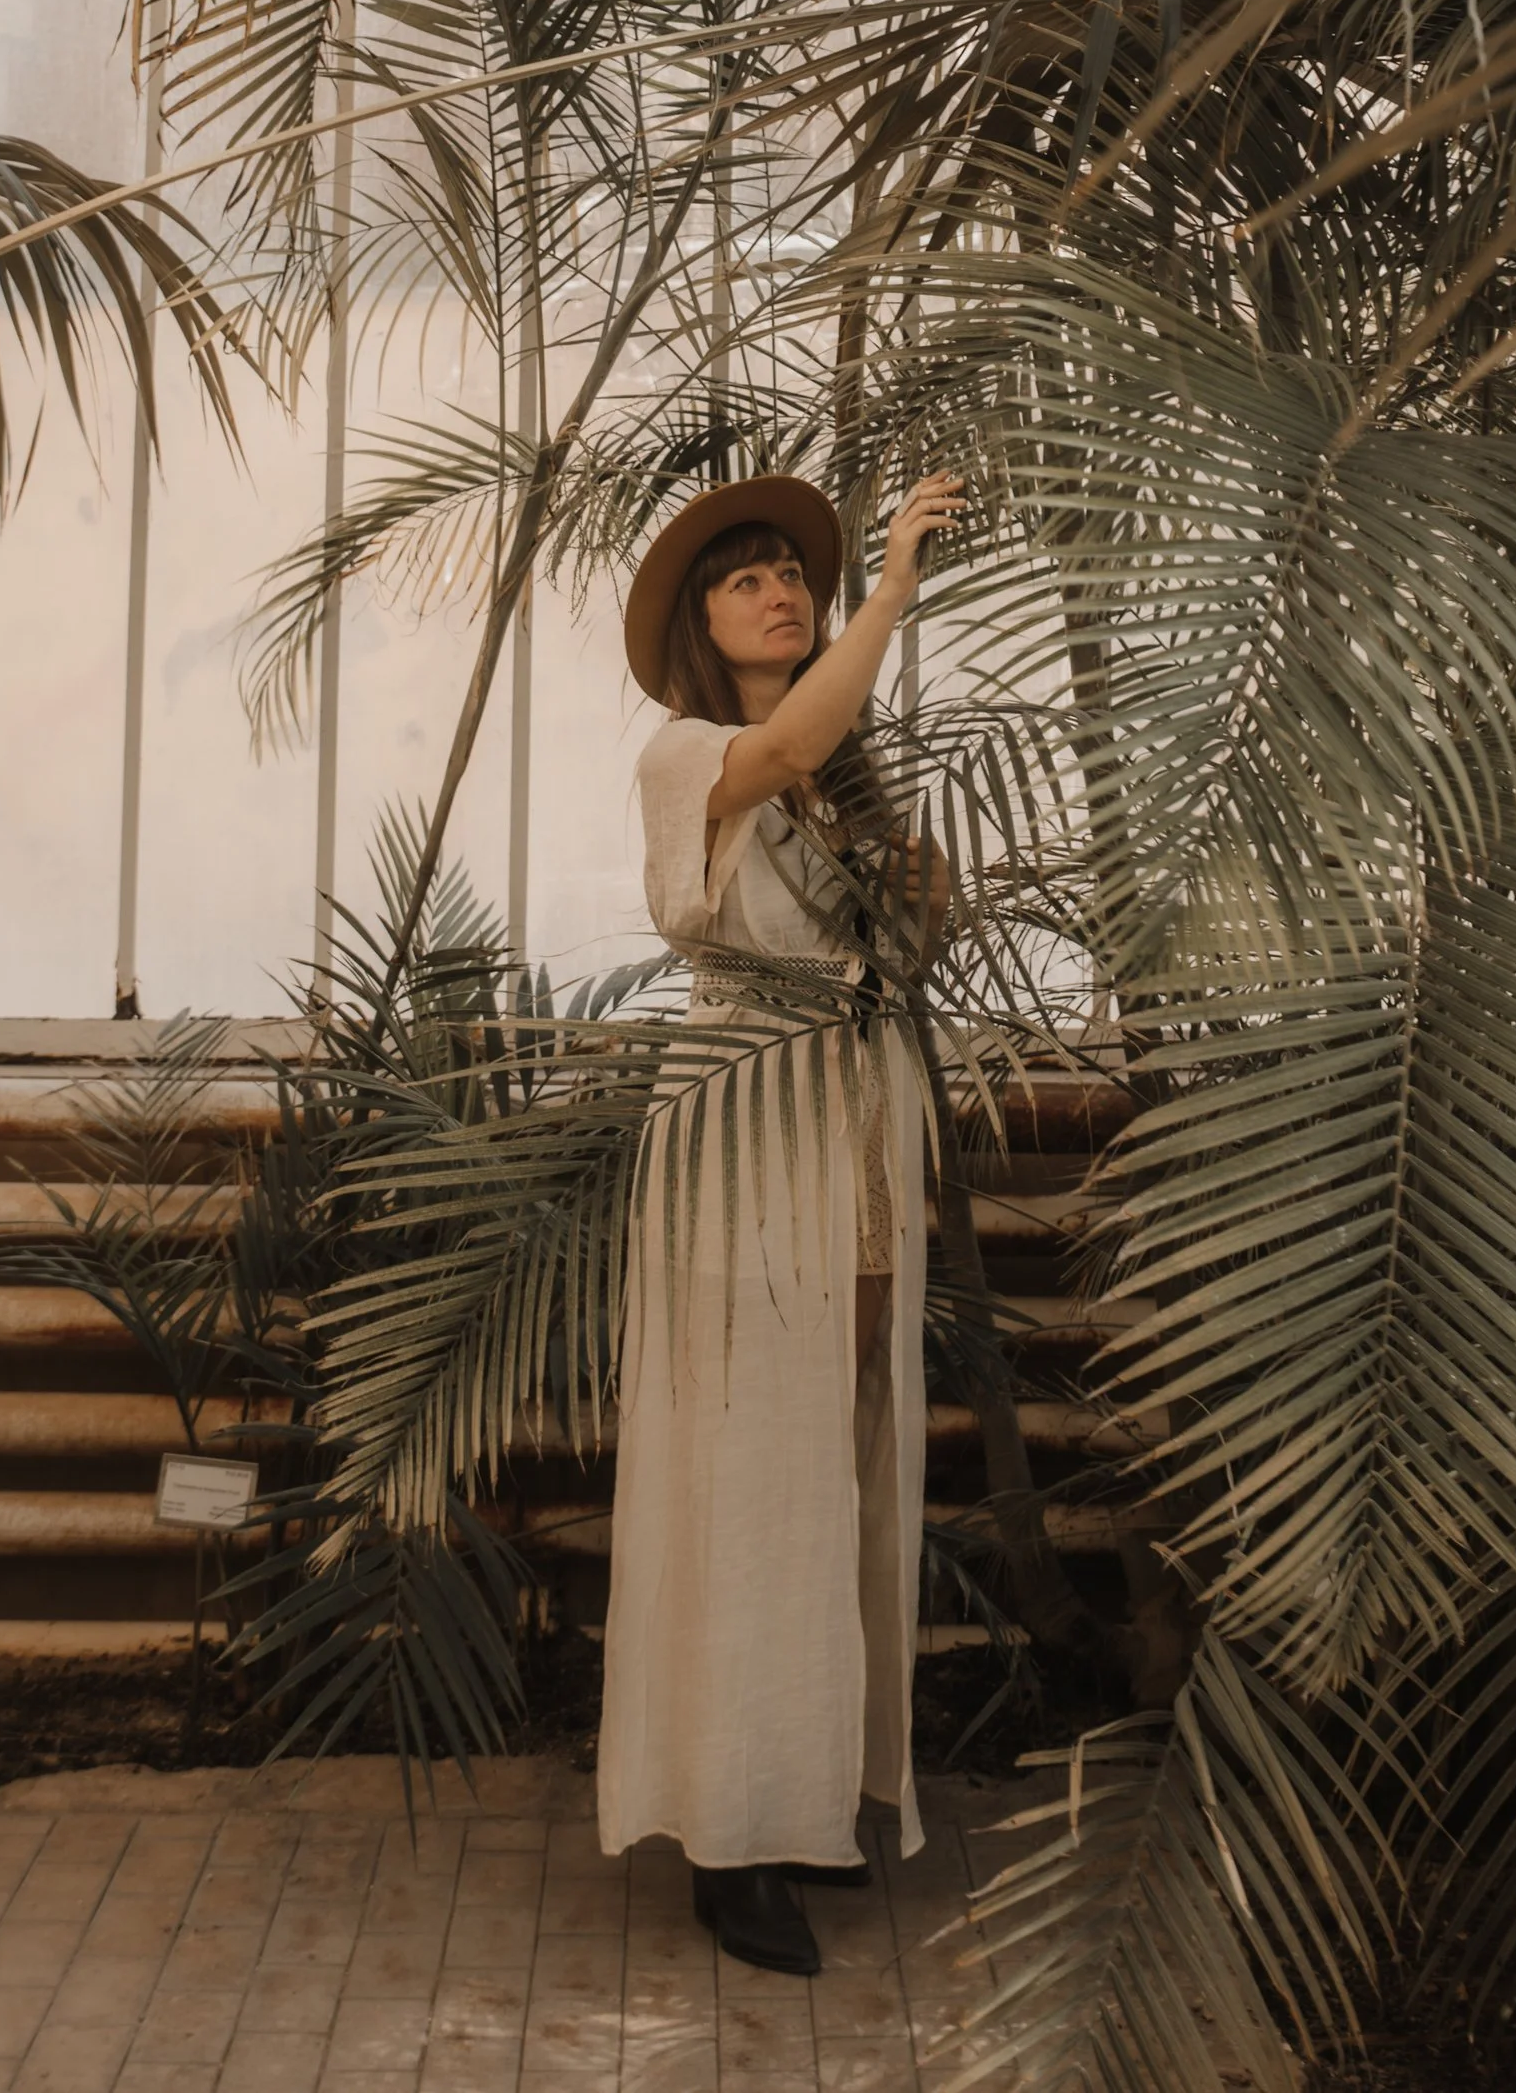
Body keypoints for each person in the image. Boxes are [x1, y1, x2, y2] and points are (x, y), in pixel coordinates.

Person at [596, 467, 966, 1976]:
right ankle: (728, 1834)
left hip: (856, 1117)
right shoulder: (692, 750)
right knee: (748, 1463)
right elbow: (794, 732)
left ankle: (812, 1788)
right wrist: (889, 585)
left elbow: (928, 927)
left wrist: (924, 885)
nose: (777, 589)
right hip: (747, 1115)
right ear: (700, 624)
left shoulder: (843, 774)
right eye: (743, 577)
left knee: (840, 1452)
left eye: (789, 574)